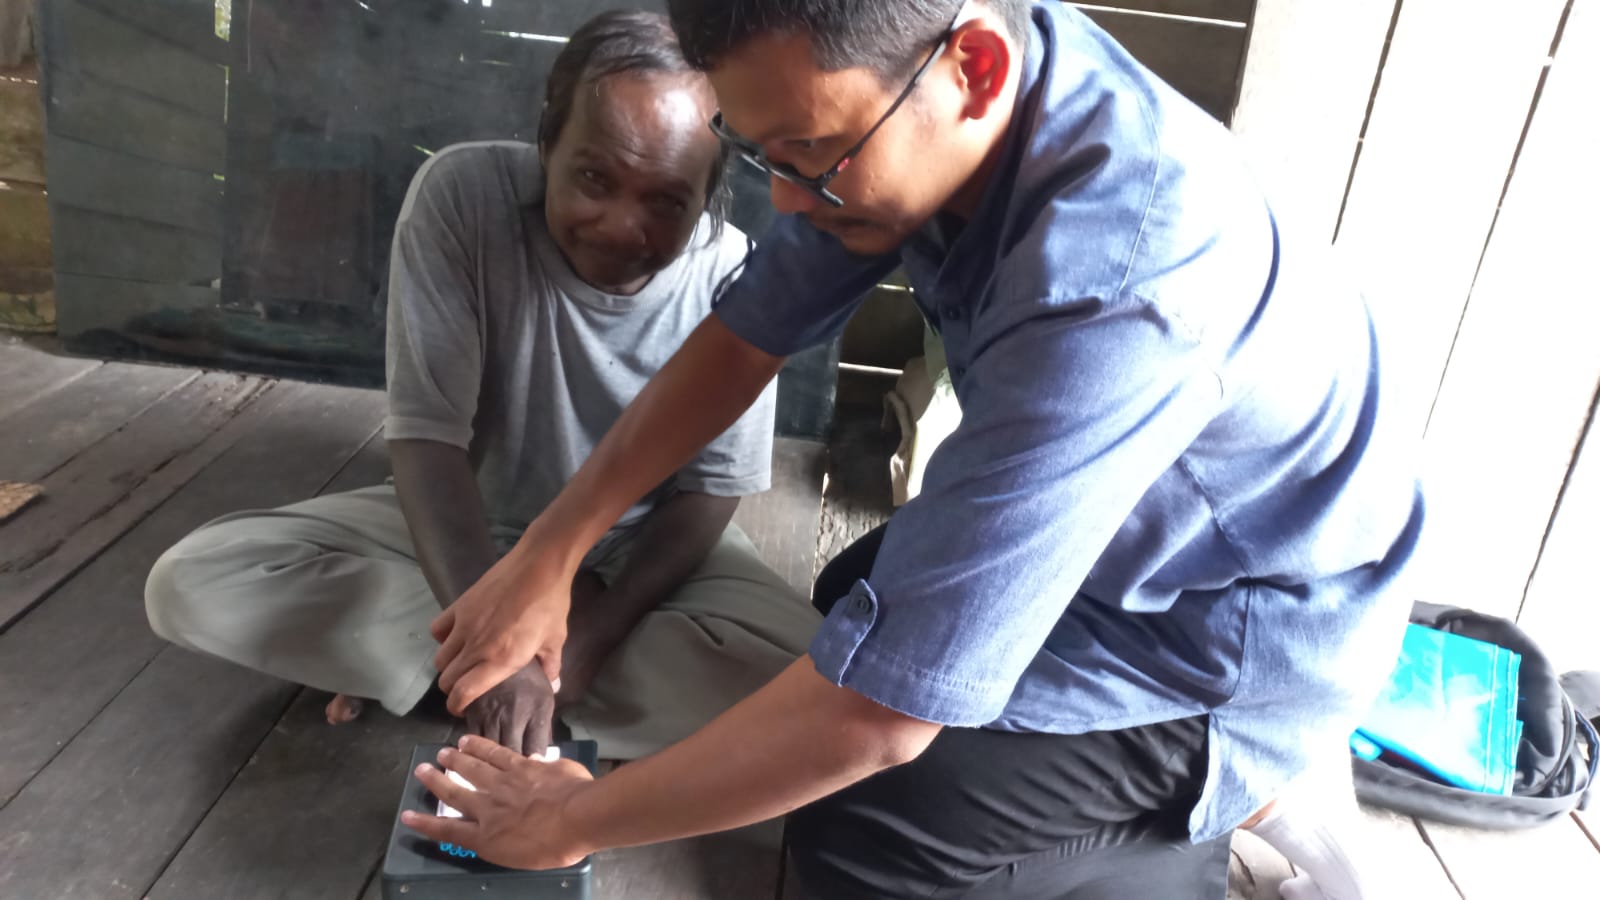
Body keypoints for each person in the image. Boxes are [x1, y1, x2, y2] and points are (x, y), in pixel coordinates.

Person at [403, 1, 1425, 898]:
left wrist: (570, 820)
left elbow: (878, 723)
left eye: (810, 155)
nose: (787, 201)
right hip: (1121, 544)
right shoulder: (936, 80)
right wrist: (551, 552)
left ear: (973, 71)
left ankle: (1226, 797)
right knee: (851, 598)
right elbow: (748, 336)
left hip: (1220, 632)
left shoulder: (1118, 283)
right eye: (764, 156)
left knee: (867, 823)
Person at [143, 10, 820, 761]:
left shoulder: (737, 276)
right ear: (547, 144)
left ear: (710, 190)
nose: (620, 226)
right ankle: (507, 680)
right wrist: (498, 630)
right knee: (192, 582)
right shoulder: (464, 198)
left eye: (666, 201)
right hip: (476, 527)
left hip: (642, 544)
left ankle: (437, 673)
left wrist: (590, 633)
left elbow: (708, 494)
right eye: (594, 178)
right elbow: (427, 442)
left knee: (817, 689)